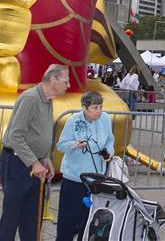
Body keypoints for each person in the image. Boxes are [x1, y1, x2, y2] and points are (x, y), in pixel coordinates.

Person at [0, 64, 69, 241]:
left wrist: (45, 158)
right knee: (12, 216)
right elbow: (16, 136)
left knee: (32, 219)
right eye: (66, 81)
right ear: (53, 80)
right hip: (17, 164)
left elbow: (39, 133)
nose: (68, 85)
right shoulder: (30, 98)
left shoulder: (48, 100)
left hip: (35, 166)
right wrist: (34, 162)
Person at [55, 90, 114, 241]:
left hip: (95, 179)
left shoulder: (106, 119)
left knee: (89, 221)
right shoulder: (73, 121)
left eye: (100, 107)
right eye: (95, 108)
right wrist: (74, 144)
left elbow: (109, 140)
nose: (99, 111)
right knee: (68, 219)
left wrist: (108, 152)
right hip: (74, 178)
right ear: (84, 107)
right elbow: (60, 145)